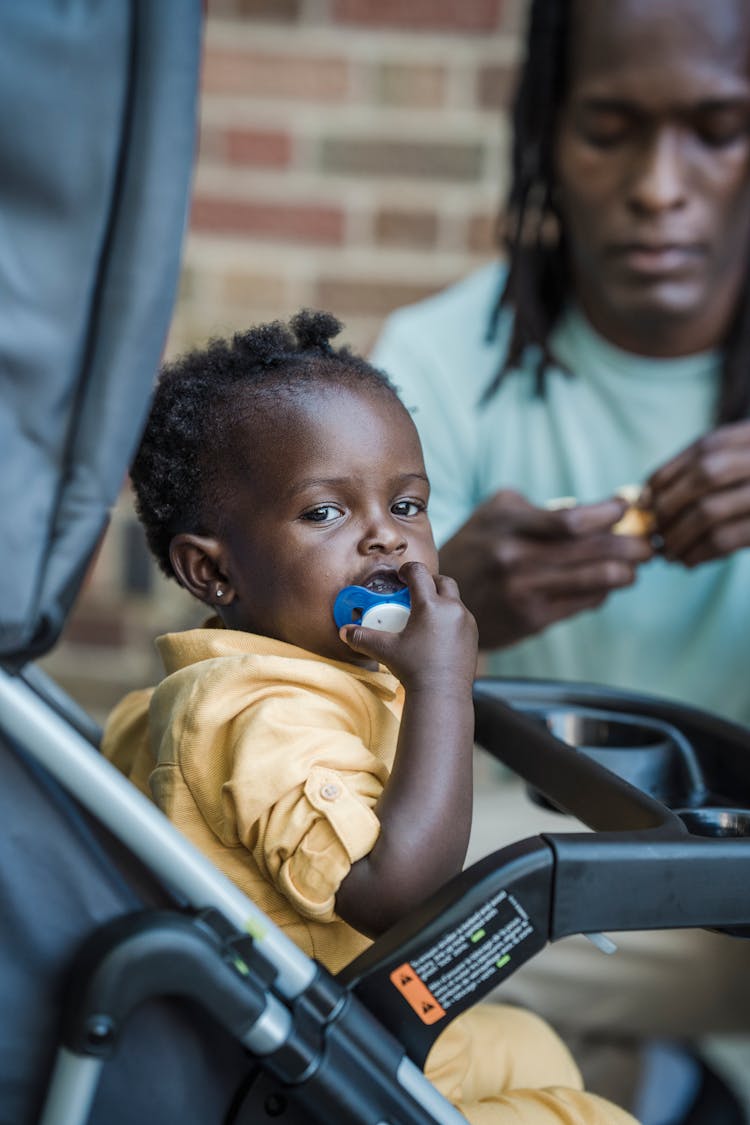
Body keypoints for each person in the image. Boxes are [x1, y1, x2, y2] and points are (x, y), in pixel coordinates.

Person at [101, 310, 636, 1125]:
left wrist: (422, 684)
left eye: (409, 503)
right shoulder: (262, 713)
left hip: (352, 1011)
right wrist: (442, 687)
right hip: (314, 1067)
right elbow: (394, 893)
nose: (386, 538)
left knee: (530, 1046)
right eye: (325, 513)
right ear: (212, 570)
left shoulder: (276, 670)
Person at [370, 0, 750, 1117]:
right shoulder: (434, 364)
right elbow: (283, 682)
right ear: (544, 132)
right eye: (609, 128)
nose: (658, 187)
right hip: (528, 872)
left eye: (718, 130)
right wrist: (435, 617)